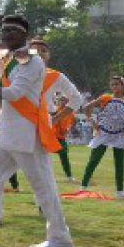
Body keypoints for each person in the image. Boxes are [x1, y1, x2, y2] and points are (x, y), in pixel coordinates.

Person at [0, 14, 73, 247]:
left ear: (24, 36)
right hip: (8, 135)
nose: (6, 35)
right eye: (4, 31)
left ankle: (60, 237)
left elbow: (15, 93)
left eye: (12, 31)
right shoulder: (6, 57)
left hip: (28, 135)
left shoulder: (32, 61)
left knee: (43, 188)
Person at [27, 37, 83, 182]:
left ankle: (46, 203)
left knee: (42, 169)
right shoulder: (15, 71)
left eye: (43, 50)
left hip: (41, 126)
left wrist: (56, 118)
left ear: (49, 55)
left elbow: (77, 98)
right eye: (35, 50)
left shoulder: (55, 76)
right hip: (17, 124)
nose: (39, 53)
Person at [79, 76, 124, 198]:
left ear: (123, 86)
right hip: (103, 133)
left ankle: (120, 192)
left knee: (120, 163)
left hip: (119, 134)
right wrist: (92, 121)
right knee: (94, 160)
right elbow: (86, 107)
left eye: (117, 84)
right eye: (112, 84)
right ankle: (83, 187)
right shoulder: (106, 97)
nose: (115, 87)